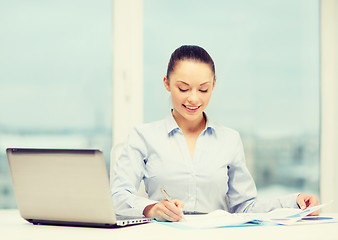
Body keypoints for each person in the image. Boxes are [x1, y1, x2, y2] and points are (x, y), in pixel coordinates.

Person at [111, 45, 319, 222]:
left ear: (214, 85)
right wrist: (152, 208)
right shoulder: (143, 136)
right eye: (183, 88)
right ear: (167, 83)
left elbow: (244, 207)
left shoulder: (230, 139)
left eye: (203, 89)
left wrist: (294, 202)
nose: (193, 99)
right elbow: (118, 196)